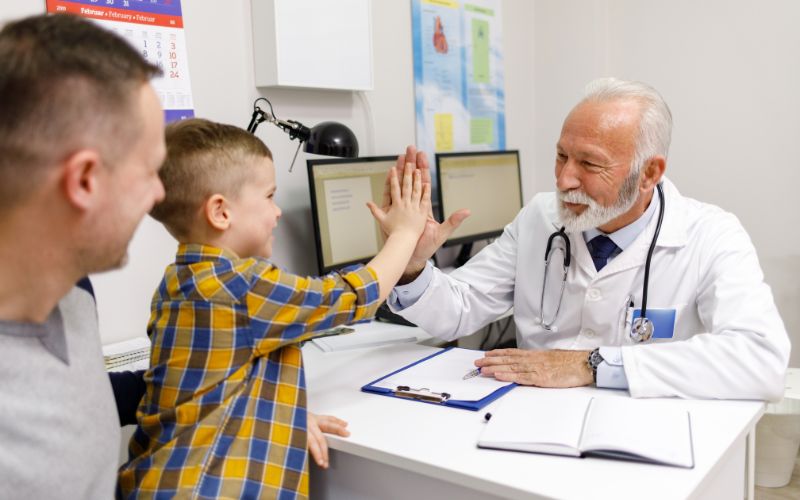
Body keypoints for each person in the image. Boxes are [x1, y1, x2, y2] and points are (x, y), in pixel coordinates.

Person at [388, 77, 790, 401]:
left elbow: (761, 359)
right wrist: (410, 263)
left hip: (646, 433)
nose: (564, 180)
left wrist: (592, 364)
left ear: (649, 174)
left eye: (590, 164)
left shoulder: (711, 235)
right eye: (561, 156)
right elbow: (460, 309)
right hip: (529, 422)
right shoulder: (539, 218)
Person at [117, 119, 430, 499]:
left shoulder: (179, 280)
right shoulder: (240, 286)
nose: (278, 211)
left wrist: (280, 414)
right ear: (220, 212)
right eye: (269, 197)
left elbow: (218, 387)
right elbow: (352, 296)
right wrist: (405, 233)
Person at [0, 13, 166, 499]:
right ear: (85, 181)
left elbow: (79, 400)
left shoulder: (72, 290)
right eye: (150, 171)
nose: (158, 194)